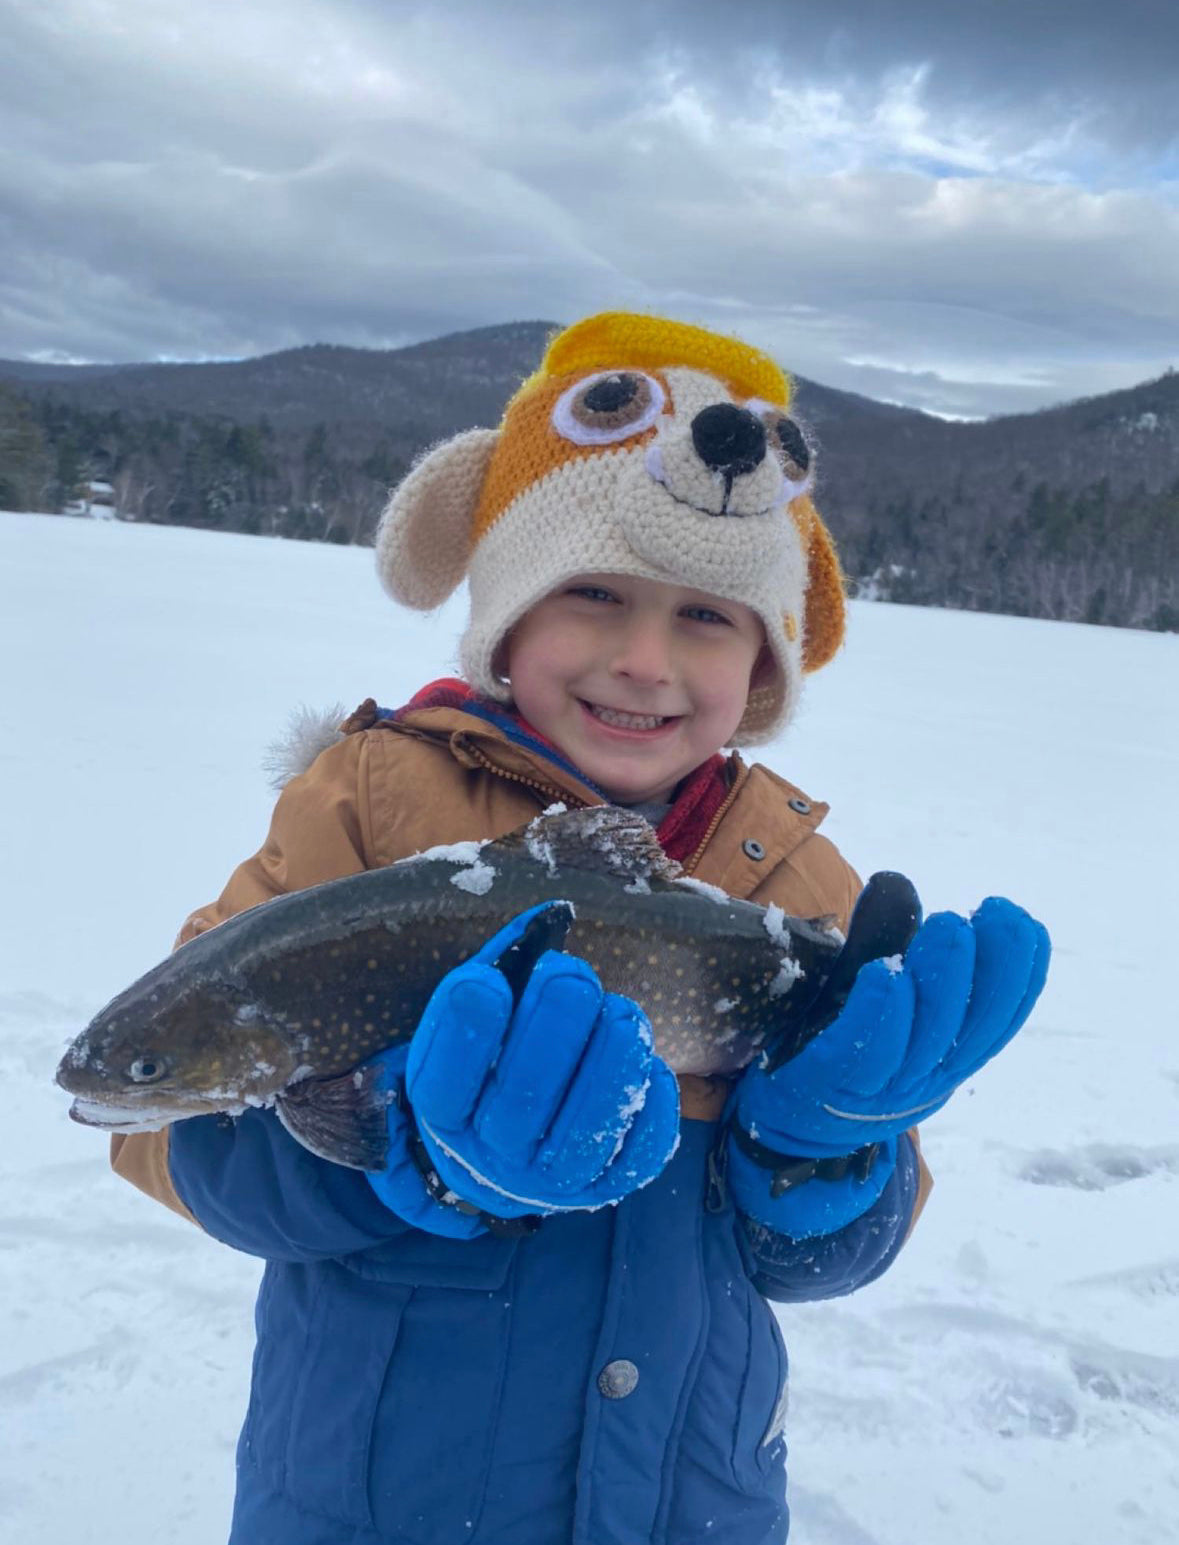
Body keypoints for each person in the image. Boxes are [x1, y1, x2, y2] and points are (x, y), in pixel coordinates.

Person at [110, 311, 1049, 1545]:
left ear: (763, 664)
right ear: (506, 613)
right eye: (594, 594)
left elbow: (821, 1263)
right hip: (376, 1496)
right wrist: (410, 1152)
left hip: (685, 1498)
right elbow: (175, 1148)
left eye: (708, 617)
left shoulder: (801, 880)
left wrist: (831, 1151)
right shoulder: (372, 801)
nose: (643, 661)